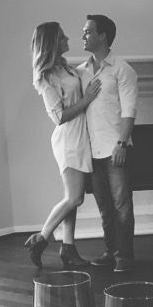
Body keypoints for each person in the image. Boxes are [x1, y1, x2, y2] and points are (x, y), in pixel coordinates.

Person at [24, 21, 101, 268]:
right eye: (62, 36)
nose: (68, 38)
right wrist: (88, 99)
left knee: (73, 197)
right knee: (75, 198)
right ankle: (42, 238)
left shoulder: (65, 68)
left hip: (80, 137)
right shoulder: (46, 77)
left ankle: (68, 249)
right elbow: (58, 116)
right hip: (68, 139)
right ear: (52, 43)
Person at [77, 14, 138, 273]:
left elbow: (129, 111)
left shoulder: (122, 70)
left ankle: (124, 256)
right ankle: (110, 252)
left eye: (88, 31)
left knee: (122, 205)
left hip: (116, 149)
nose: (84, 36)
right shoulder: (80, 72)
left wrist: (122, 144)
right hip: (91, 151)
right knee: (104, 207)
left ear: (102, 35)